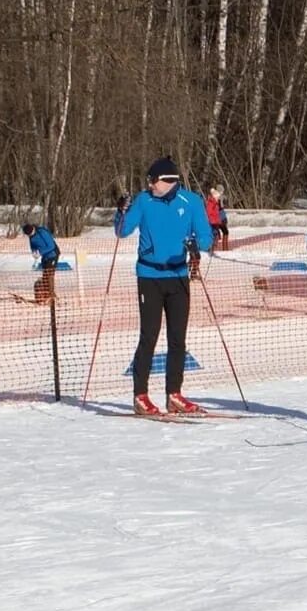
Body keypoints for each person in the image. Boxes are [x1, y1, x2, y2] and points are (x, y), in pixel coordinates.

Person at [115, 156, 215, 416]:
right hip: (149, 276)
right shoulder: (144, 200)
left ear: (168, 181)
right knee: (149, 336)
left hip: (178, 276)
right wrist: (120, 211)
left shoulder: (191, 202)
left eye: (153, 180)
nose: (149, 185)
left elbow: (206, 237)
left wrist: (197, 245)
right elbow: (122, 231)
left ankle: (174, 394)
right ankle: (140, 395)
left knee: (177, 339)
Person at [22, 221, 61, 304]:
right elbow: (32, 246)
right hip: (45, 256)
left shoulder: (42, 232)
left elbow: (51, 246)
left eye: (31, 234)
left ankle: (51, 296)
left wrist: (40, 252)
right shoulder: (31, 236)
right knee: (45, 275)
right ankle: (47, 294)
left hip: (53, 254)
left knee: (49, 274)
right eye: (29, 235)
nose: (30, 236)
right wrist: (34, 252)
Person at [204, 183, 230, 251]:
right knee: (215, 235)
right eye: (221, 191)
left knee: (222, 233)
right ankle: (211, 249)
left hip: (218, 220)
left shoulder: (218, 199)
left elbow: (220, 210)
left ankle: (224, 248)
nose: (222, 192)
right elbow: (210, 212)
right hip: (215, 221)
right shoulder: (214, 201)